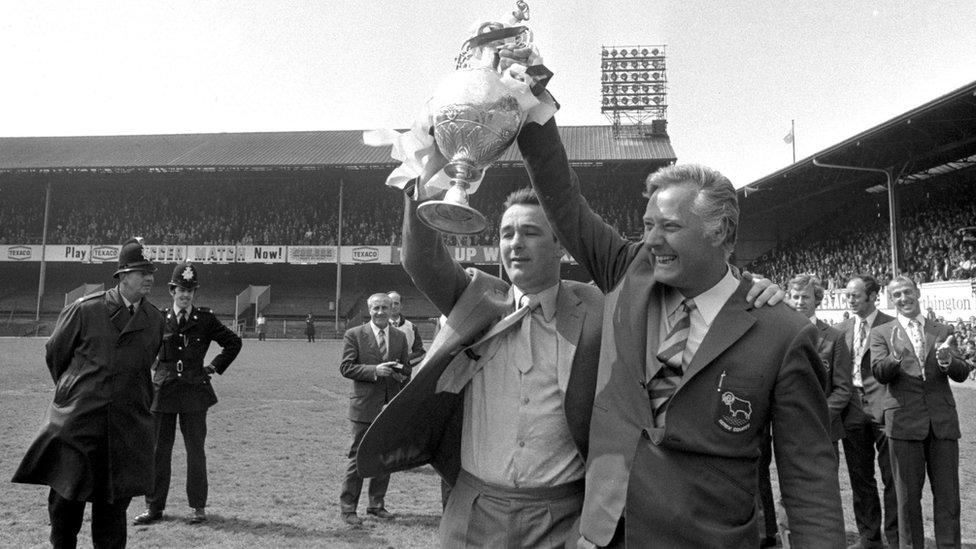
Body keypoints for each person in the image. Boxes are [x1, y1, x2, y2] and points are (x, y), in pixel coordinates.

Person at [513, 92, 845, 545]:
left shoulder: (782, 333)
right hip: (603, 535)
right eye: (647, 224)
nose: (650, 241)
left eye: (668, 226)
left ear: (720, 231)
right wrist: (530, 101)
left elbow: (808, 478)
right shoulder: (629, 272)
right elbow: (563, 198)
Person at [12, 237, 165, 548]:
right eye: (140, 271)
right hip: (79, 426)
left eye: (151, 271)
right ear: (122, 276)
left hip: (124, 430)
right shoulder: (84, 311)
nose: (149, 277)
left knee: (112, 517)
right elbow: (56, 354)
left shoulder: (154, 319)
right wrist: (76, 393)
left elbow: (143, 366)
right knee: (66, 509)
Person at [133, 262, 242, 525]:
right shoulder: (158, 318)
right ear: (172, 291)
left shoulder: (204, 320)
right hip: (163, 391)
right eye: (181, 290)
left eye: (190, 291)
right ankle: (154, 507)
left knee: (196, 451)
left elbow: (233, 342)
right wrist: (154, 366)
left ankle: (197, 507)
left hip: (194, 392)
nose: (185, 295)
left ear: (195, 293)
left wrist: (214, 366)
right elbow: (141, 346)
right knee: (159, 452)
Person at [870, 276, 970, 548]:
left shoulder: (942, 329)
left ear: (917, 293)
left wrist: (948, 361)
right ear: (892, 300)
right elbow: (879, 373)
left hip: (942, 424)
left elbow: (962, 373)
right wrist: (896, 356)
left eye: (907, 292)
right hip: (903, 423)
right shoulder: (882, 333)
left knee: (948, 497)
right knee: (907, 499)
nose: (904, 299)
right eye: (897, 295)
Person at [338, 293, 411, 526]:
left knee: (385, 457)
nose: (380, 312)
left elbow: (407, 370)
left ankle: (376, 505)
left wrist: (400, 373)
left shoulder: (399, 337)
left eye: (385, 308)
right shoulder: (354, 334)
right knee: (357, 457)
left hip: (390, 405)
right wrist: (374, 370)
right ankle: (349, 508)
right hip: (364, 406)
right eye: (376, 308)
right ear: (369, 310)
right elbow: (346, 367)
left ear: (393, 310)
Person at [837, 274, 897, 549]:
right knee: (860, 478)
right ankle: (869, 539)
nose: (850, 299)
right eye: (848, 295)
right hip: (852, 409)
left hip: (885, 408)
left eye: (855, 295)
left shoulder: (892, 326)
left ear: (873, 296)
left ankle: (896, 538)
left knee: (892, 478)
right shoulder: (843, 328)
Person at [387, 290, 426, 368]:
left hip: (403, 376)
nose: (393, 306)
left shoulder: (412, 327)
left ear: (401, 306)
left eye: (396, 303)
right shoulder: (376, 326)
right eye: (390, 303)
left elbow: (421, 352)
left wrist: (404, 364)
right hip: (380, 374)